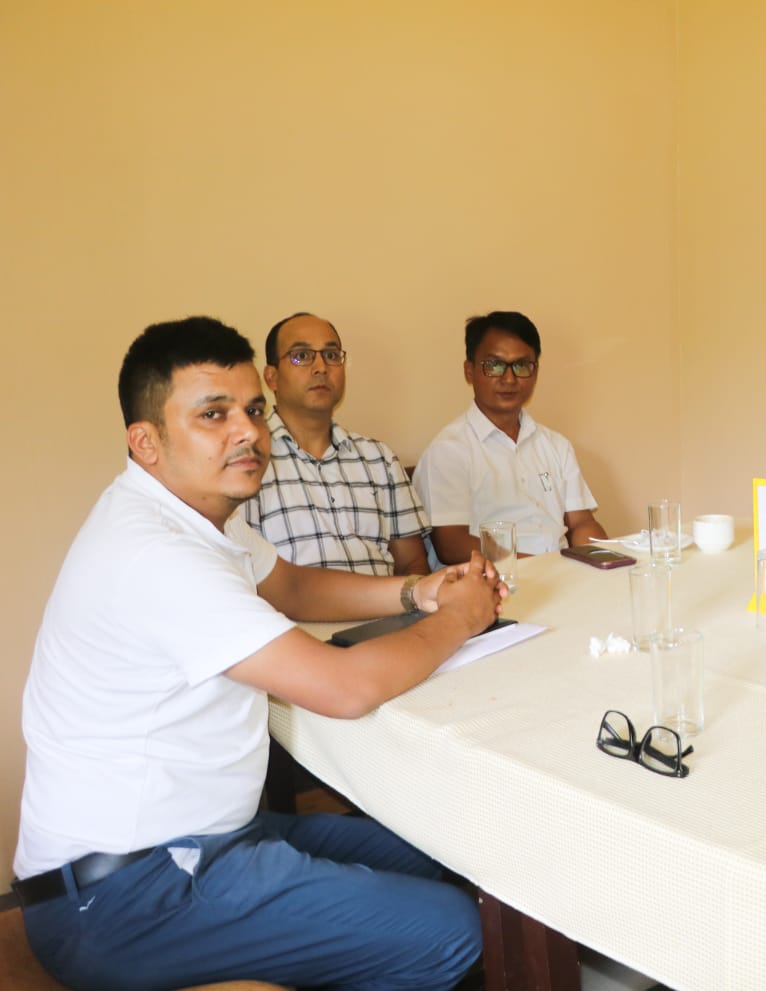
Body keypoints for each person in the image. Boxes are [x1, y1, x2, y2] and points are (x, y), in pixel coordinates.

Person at [13, 317, 502, 991]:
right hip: (125, 894)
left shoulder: (192, 514)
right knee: (451, 929)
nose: (247, 431)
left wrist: (418, 589)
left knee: (450, 852)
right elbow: (342, 688)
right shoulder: (155, 552)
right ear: (146, 441)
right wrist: (461, 617)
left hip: (211, 835)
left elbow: (292, 585)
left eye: (252, 410)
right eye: (213, 415)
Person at [243, 311, 431, 576]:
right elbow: (246, 573)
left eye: (331, 355)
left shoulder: (380, 459)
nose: (321, 367)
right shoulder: (248, 460)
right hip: (294, 604)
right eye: (302, 356)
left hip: (387, 601)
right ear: (271, 377)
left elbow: (413, 565)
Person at [417, 310, 608, 562]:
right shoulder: (448, 450)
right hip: (494, 578)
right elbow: (451, 544)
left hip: (558, 573)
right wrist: (538, 566)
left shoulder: (556, 445)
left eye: (521, 366)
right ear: (469, 371)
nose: (509, 379)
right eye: (494, 365)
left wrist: (601, 560)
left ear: (535, 372)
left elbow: (582, 522)